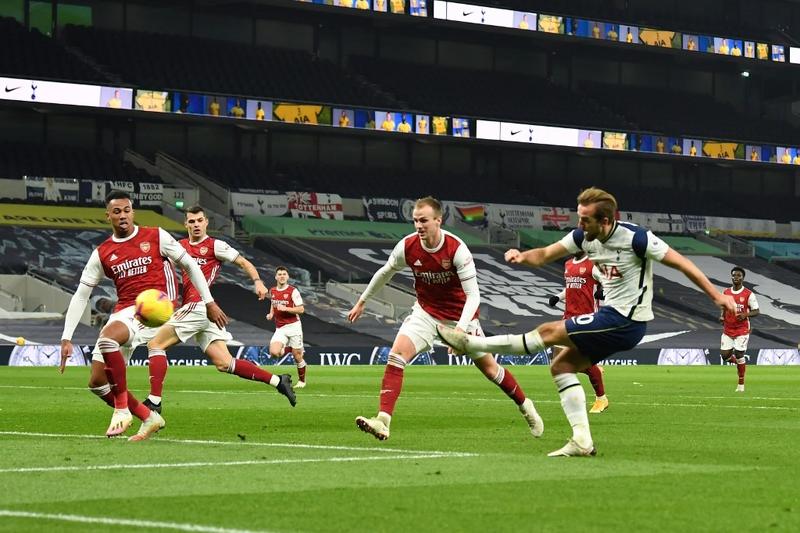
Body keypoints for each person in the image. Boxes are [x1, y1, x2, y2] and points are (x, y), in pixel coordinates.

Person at [438, 187, 736, 457]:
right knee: (561, 366)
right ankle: (582, 440)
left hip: (627, 320)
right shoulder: (584, 237)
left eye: (585, 220)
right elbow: (544, 254)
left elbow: (682, 264)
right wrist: (521, 256)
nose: (579, 225)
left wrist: (716, 297)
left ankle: (472, 343)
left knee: (549, 331)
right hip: (612, 319)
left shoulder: (638, 239)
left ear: (605, 221)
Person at [347, 196, 544, 441]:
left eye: (424, 221)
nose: (419, 226)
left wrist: (459, 331)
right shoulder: (408, 246)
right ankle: (383, 420)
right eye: (415, 221)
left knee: (491, 370)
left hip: (461, 318)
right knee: (396, 357)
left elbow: (474, 296)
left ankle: (526, 406)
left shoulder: (456, 249)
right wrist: (363, 300)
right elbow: (385, 271)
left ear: (438, 220)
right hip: (426, 313)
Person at [59, 190, 229, 441]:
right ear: (109, 216)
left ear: (133, 212)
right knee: (97, 383)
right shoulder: (103, 252)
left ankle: (121, 410)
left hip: (155, 308)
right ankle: (149, 417)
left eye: (127, 210)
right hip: (127, 311)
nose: (123, 216)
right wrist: (66, 337)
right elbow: (81, 294)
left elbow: (190, 265)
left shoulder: (156, 235)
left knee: (107, 339)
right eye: (117, 212)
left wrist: (209, 302)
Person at [144, 206, 296, 413]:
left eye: (199, 220)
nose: (196, 225)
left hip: (198, 306)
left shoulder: (216, 246)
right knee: (225, 363)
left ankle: (154, 401)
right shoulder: (179, 246)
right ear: (185, 224)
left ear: (206, 222)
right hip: (205, 311)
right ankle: (278, 381)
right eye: (192, 221)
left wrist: (258, 282)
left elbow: (244, 262)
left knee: (155, 345)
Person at [548, 252, 609, 413]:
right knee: (557, 361)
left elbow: (609, 282)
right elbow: (570, 287)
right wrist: (558, 297)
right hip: (568, 317)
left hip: (586, 319)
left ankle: (601, 398)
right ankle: (593, 368)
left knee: (576, 360)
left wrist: (603, 292)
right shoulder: (568, 264)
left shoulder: (592, 264)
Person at [719, 267, 759, 392]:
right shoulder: (726, 292)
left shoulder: (748, 294)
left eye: (739, 275)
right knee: (725, 356)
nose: (736, 277)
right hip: (728, 328)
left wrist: (745, 315)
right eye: (734, 275)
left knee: (739, 353)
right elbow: (723, 306)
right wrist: (721, 315)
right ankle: (740, 364)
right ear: (731, 277)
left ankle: (741, 384)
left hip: (742, 329)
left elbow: (756, 311)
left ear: (743, 278)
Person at [267, 267, 308, 388]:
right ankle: (289, 348)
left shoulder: (293, 291)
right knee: (274, 352)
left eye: (284, 274)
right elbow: (273, 303)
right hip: (280, 328)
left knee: (297, 357)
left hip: (294, 326)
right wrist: (271, 314)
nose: (282, 276)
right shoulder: (273, 290)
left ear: (288, 277)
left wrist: (287, 309)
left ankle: (302, 381)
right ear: (276, 277)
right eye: (279, 274)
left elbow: (301, 309)